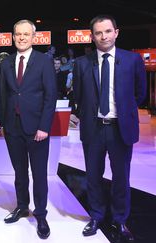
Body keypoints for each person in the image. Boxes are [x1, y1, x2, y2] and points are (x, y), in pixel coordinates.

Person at [73, 15, 146, 242]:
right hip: (93, 128)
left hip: (119, 129)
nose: (103, 36)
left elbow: (139, 94)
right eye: (98, 33)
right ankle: (96, 215)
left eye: (107, 31)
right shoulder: (81, 64)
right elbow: (78, 96)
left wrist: (124, 112)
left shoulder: (132, 60)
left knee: (121, 177)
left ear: (116, 32)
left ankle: (120, 219)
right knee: (93, 176)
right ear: (92, 36)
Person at [0, 19, 57, 239]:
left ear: (34, 37)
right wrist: (2, 123)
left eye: (26, 34)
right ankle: (22, 206)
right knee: (20, 172)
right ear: (13, 37)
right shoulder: (6, 63)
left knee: (40, 174)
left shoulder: (44, 61)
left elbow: (50, 96)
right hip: (13, 128)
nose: (22, 38)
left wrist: (44, 127)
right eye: (18, 34)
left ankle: (41, 214)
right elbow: (4, 95)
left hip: (37, 130)